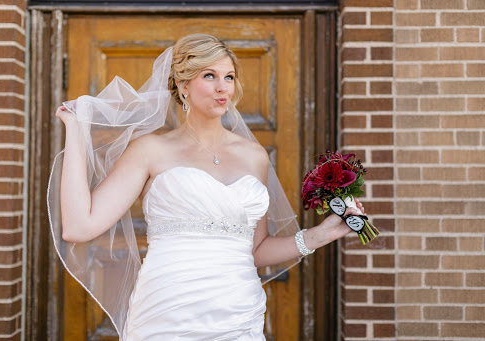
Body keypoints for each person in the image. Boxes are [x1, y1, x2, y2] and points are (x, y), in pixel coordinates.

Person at [52, 34, 364, 340]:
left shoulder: (254, 156)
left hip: (238, 312)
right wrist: (76, 131)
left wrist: (322, 234)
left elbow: (255, 250)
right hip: (168, 311)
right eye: (209, 75)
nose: (222, 87)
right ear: (182, 85)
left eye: (229, 77)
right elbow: (79, 227)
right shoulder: (150, 151)